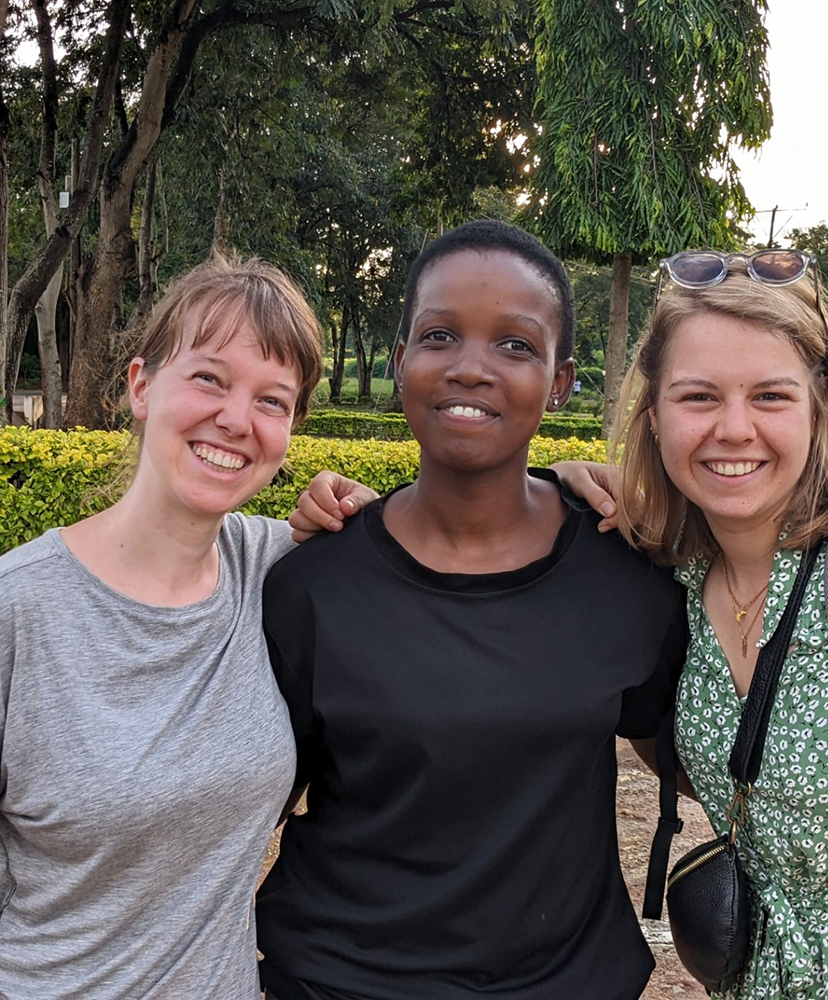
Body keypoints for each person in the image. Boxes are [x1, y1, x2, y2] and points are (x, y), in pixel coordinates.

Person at [256, 220, 689, 1000]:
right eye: (439, 335)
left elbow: (691, 754)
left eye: (516, 346)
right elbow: (247, 799)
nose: (471, 368)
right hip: (341, 981)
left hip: (566, 982)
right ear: (400, 363)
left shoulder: (626, 576)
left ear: (560, 381)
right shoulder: (312, 585)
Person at [557, 249, 828, 998]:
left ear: (818, 404)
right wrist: (554, 481)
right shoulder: (671, 578)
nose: (733, 429)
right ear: (653, 416)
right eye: (697, 398)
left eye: (770, 396)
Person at [0, 255, 373, 1000]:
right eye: (208, 378)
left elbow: (441, 538)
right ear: (140, 386)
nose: (236, 419)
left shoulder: (279, 572)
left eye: (273, 400)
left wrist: (568, 485)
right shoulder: (12, 611)